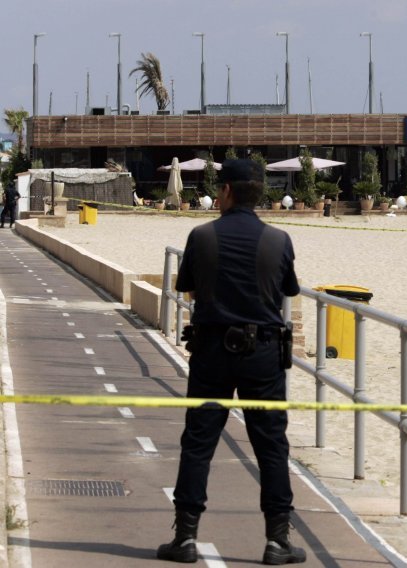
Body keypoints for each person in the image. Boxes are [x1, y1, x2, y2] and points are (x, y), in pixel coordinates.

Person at [157, 159, 305, 565]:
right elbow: (288, 288)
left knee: (199, 443)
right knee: (271, 446)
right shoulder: (279, 240)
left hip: (211, 351)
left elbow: (185, 285)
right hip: (263, 355)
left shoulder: (201, 236)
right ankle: (277, 541)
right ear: (259, 193)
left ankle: (185, 537)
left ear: (224, 193)